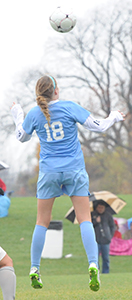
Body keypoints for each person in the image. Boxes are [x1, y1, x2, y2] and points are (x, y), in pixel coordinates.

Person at [11, 74, 125, 291]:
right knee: (85, 220)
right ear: (56, 90)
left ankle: (35, 268)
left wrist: (18, 114)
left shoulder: (35, 113)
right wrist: (112, 117)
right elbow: (99, 127)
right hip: (74, 170)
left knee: (41, 222)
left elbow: (21, 136)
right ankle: (93, 264)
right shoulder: (69, 107)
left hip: (49, 173)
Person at [91, 201, 115, 273]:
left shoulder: (108, 215)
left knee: (106, 258)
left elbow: (112, 226)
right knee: (96, 258)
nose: (101, 209)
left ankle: (106, 272)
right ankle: (96, 272)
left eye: (102, 208)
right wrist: (96, 221)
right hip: (96, 240)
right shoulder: (92, 215)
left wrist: (110, 236)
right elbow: (90, 226)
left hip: (106, 240)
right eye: (99, 208)